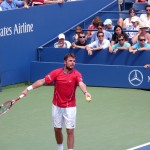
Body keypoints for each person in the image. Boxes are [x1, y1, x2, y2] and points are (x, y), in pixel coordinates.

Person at [21, 53, 92, 150]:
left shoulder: (77, 74)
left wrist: (86, 92)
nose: (73, 63)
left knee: (70, 131)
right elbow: (42, 81)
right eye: (70, 61)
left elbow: (81, 83)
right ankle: (60, 148)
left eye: (74, 61)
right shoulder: (56, 73)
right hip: (57, 106)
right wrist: (28, 89)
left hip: (70, 107)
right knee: (57, 130)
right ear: (65, 62)